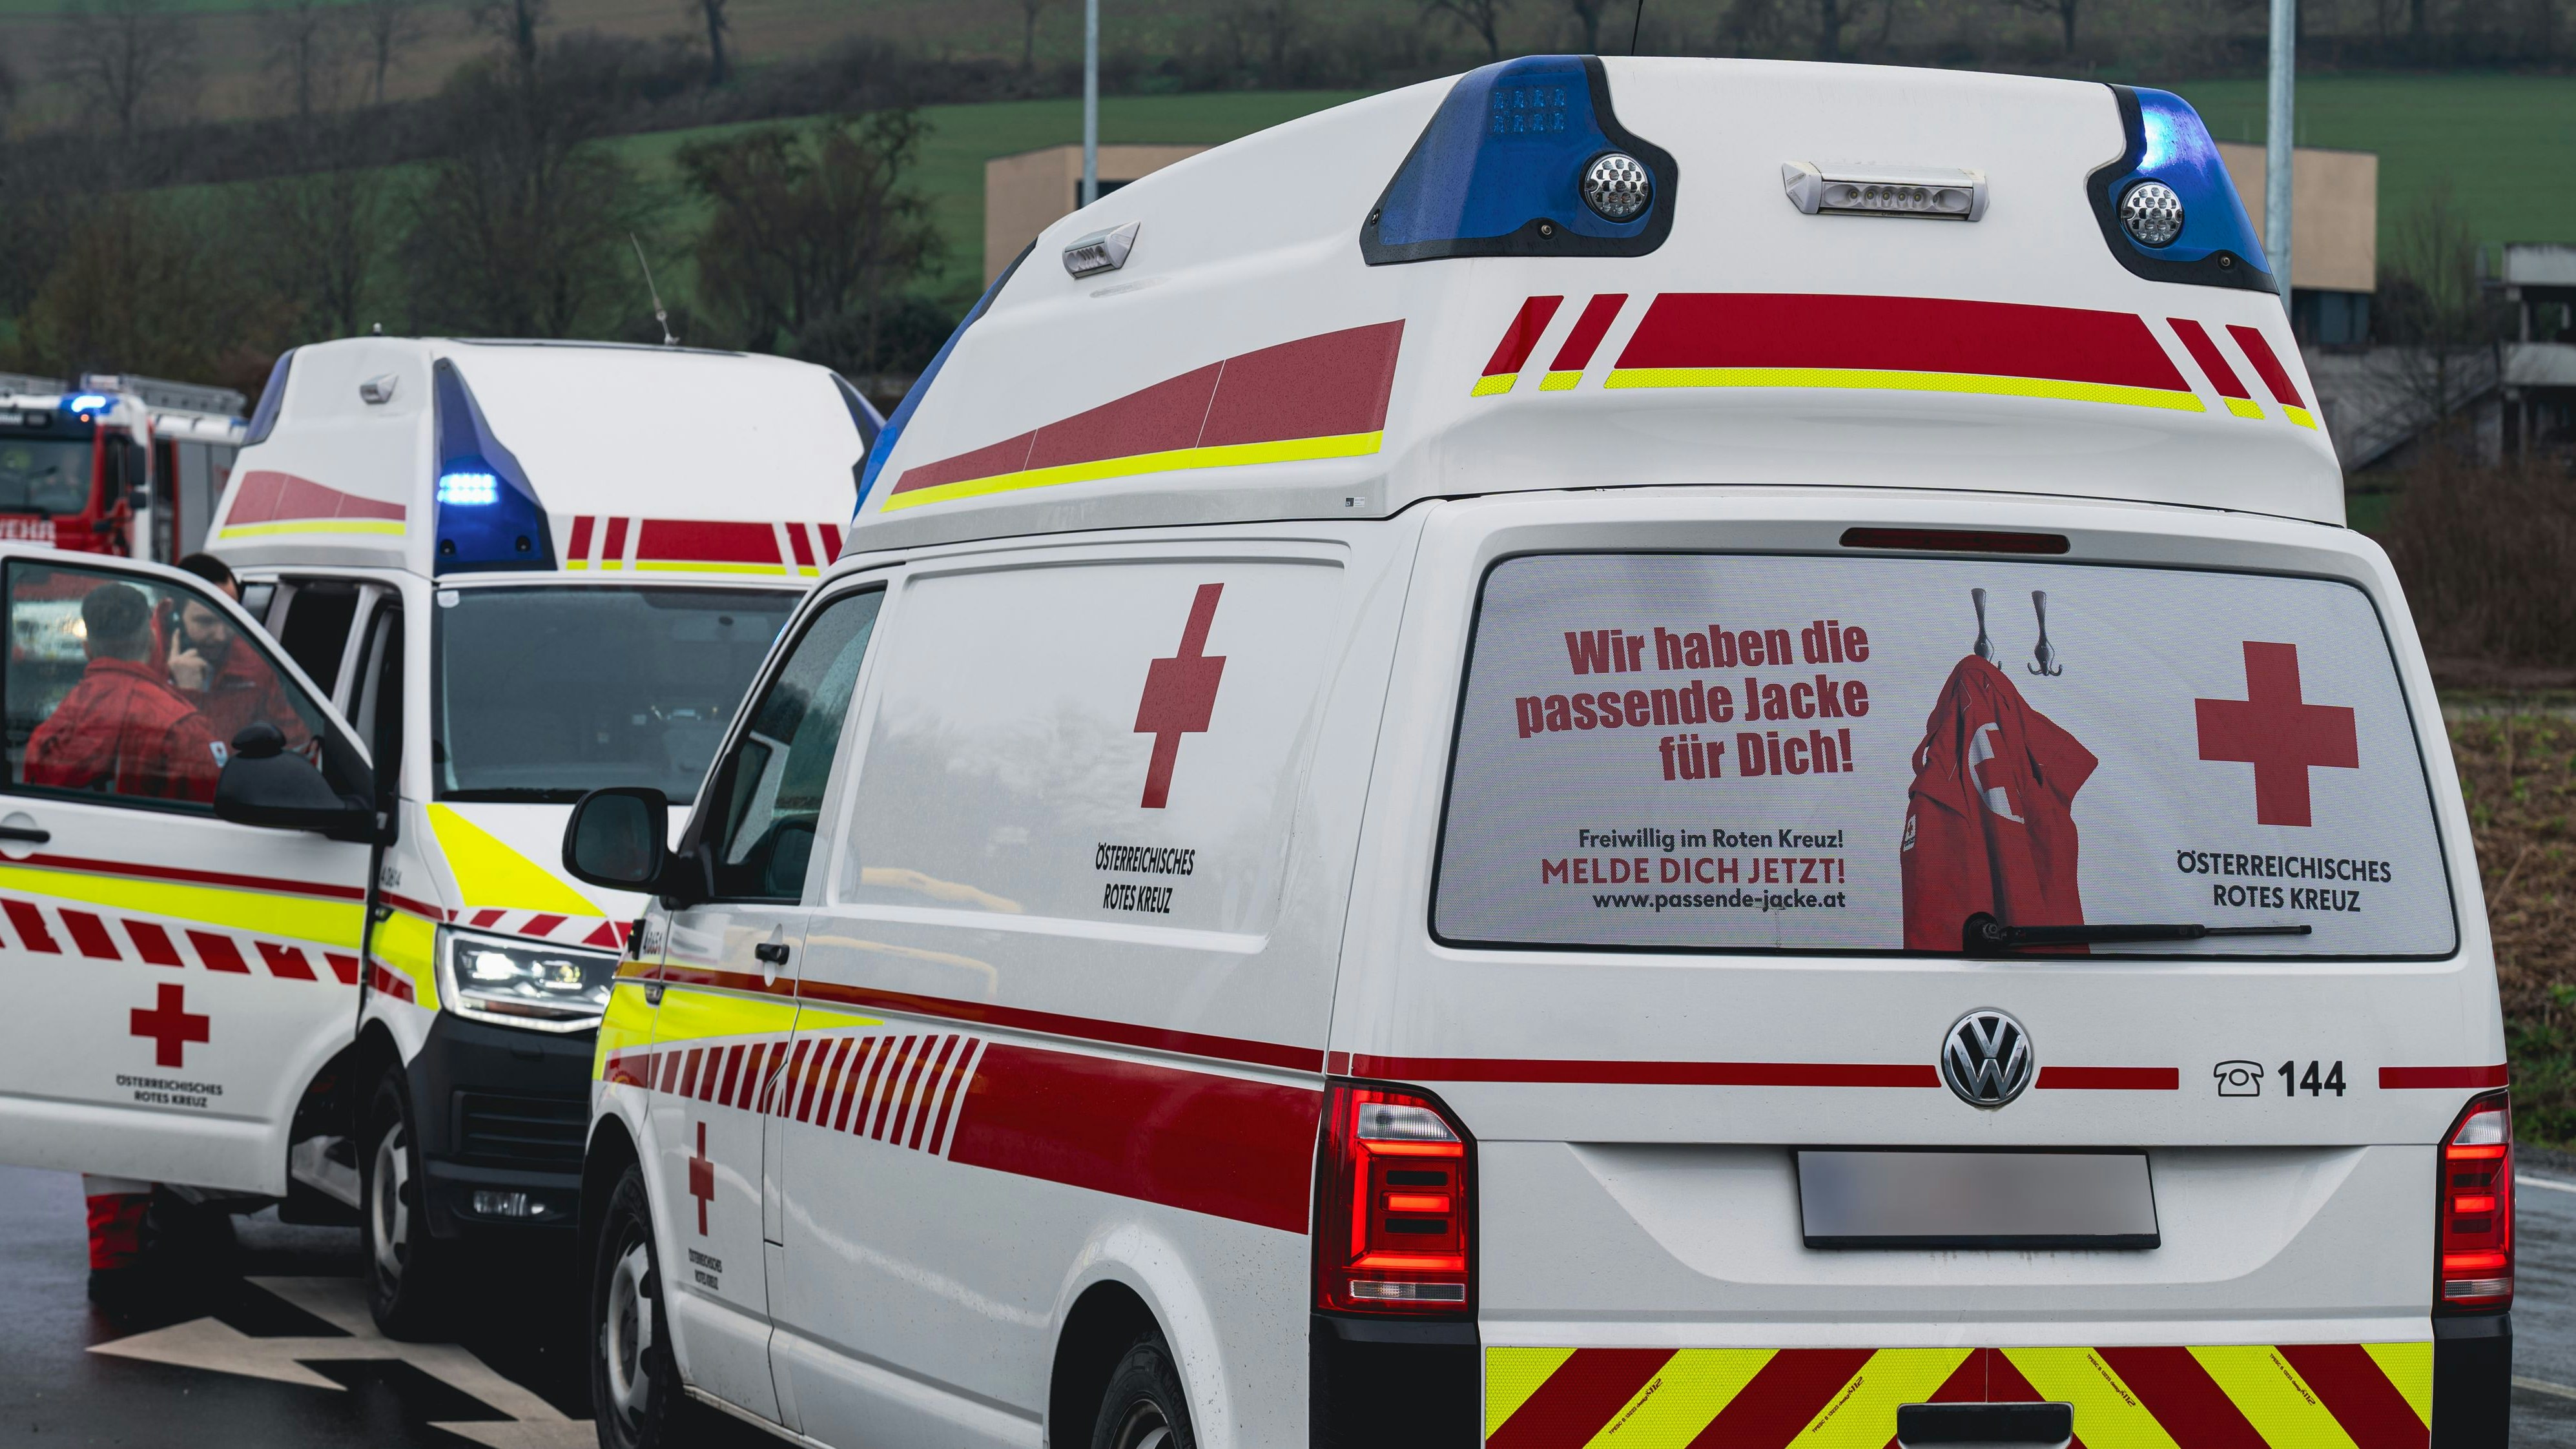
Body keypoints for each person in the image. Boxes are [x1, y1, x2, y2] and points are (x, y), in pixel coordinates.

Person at [24, 582, 225, 804]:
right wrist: (191, 697)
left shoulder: (51, 731)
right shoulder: (182, 724)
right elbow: (212, 805)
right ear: (152, 641)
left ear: (87, 650)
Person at [167, 590, 302, 748]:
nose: (221, 636)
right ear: (177, 618)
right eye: (205, 622)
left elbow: (295, 740)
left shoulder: (255, 666)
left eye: (228, 620)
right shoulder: (149, 659)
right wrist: (188, 695)